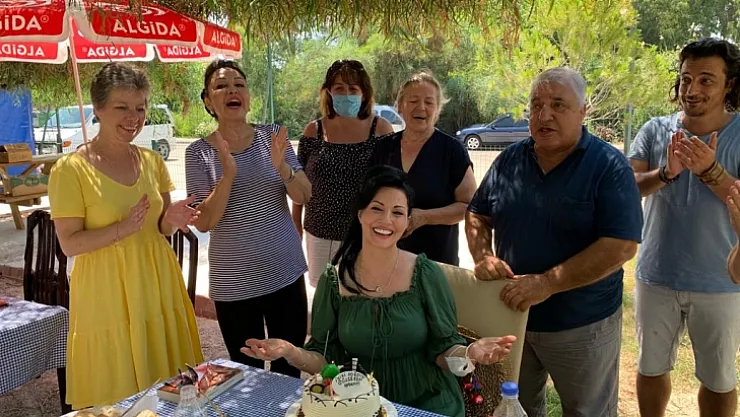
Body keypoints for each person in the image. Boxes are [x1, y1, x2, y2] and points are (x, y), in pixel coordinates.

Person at [243, 165, 517, 417]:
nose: (386, 220)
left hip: (427, 401)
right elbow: (325, 360)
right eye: (377, 208)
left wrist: (470, 353)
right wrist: (289, 351)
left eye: (397, 212)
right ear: (360, 214)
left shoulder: (425, 274)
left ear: (407, 221)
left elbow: (443, 350)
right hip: (358, 405)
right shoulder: (334, 280)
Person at [465, 67, 642, 417]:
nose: (544, 115)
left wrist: (548, 283)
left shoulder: (608, 165)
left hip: (582, 325)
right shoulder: (510, 160)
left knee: (587, 411)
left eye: (558, 105)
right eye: (536, 105)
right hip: (512, 319)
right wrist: (483, 255)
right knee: (513, 408)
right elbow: (477, 214)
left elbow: (621, 245)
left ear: (583, 111)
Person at [48, 62, 203, 409]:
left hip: (157, 280)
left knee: (167, 386)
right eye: (122, 107)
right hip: (105, 291)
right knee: (116, 395)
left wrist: (171, 219)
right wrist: (122, 229)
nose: (134, 117)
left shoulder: (152, 160)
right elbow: (69, 243)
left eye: (140, 108)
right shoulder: (70, 170)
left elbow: (160, 226)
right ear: (98, 108)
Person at [627, 38, 740, 417]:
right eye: (686, 78)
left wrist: (710, 170)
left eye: (706, 80)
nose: (692, 89)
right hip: (656, 275)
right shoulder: (655, 129)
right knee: (650, 367)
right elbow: (627, 187)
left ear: (729, 84)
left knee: (719, 379)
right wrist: (665, 173)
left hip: (722, 281)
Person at [185, 60, 312, 378]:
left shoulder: (273, 137)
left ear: (248, 96)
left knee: (288, 368)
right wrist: (228, 175)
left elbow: (304, 194)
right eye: (221, 86)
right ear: (208, 101)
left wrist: (282, 167)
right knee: (247, 372)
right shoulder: (198, 153)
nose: (232, 90)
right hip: (234, 285)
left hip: (285, 273)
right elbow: (204, 222)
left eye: (239, 84)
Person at [294, 59, 394, 287]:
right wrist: (296, 225)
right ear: (328, 92)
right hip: (319, 232)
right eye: (339, 88)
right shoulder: (313, 131)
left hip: (366, 233)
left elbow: (391, 185)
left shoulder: (381, 130)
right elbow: (299, 182)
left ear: (364, 93)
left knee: (363, 295)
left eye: (353, 88)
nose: (346, 94)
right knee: (325, 294)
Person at [370, 71, 476, 265]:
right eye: (413, 101)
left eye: (429, 102)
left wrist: (425, 217)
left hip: (436, 263)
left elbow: (468, 206)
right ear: (400, 106)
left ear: (438, 110)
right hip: (386, 260)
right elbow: (368, 200)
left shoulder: (452, 150)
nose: (421, 107)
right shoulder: (383, 148)